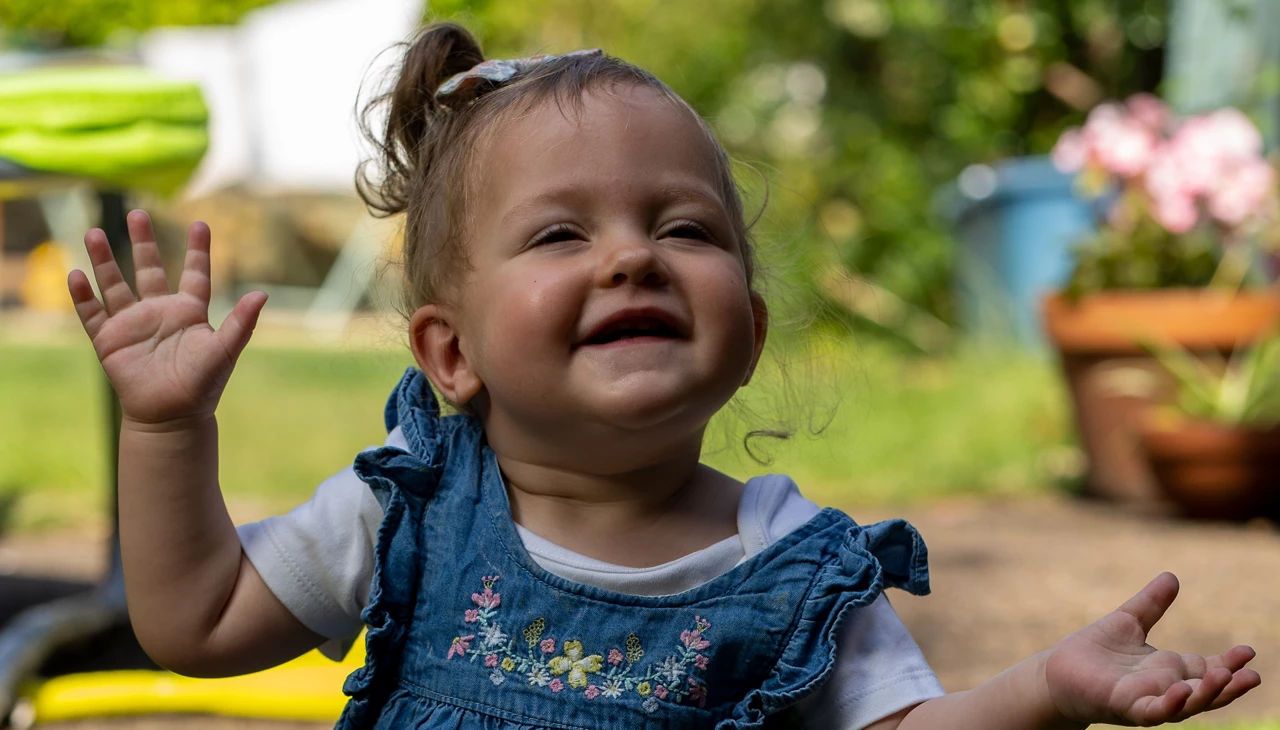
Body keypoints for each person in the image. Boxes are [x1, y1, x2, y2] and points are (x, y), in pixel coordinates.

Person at [67, 22, 1259, 730]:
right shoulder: (405, 512)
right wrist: (166, 428)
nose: (632, 253)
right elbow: (193, 622)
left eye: (682, 229)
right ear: (452, 353)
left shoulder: (791, 567)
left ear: (743, 333)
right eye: (558, 235)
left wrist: (1048, 685)